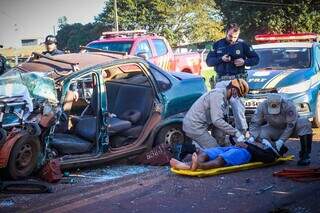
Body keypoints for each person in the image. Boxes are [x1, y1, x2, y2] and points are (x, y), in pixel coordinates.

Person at [206, 23, 260, 134]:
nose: (233, 39)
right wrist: (221, 58)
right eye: (231, 36)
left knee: (238, 108)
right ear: (226, 32)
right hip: (221, 81)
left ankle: (243, 134)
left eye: (235, 37)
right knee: (219, 110)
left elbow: (256, 59)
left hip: (236, 81)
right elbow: (209, 62)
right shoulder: (217, 44)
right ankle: (220, 137)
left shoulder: (243, 44)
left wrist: (244, 61)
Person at [183, 79, 249, 149]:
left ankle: (193, 150)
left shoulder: (224, 97)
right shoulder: (218, 95)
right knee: (215, 150)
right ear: (233, 90)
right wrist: (235, 132)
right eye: (237, 95)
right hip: (194, 126)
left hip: (199, 124)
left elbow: (221, 120)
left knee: (218, 143)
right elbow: (217, 120)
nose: (236, 98)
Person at [248, 93, 313, 166]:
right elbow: (255, 122)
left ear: (281, 102)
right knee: (259, 133)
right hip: (275, 128)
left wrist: (281, 140)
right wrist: (252, 136)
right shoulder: (262, 106)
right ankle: (275, 151)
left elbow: (291, 125)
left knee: (304, 123)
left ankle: (305, 155)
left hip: (292, 128)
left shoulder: (289, 105)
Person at [170, 140, 278, 171]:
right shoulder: (261, 137)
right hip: (234, 147)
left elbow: (269, 158)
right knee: (207, 152)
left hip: (246, 153)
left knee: (221, 159)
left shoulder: (271, 150)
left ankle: (197, 166)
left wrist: (248, 147)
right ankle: (191, 164)